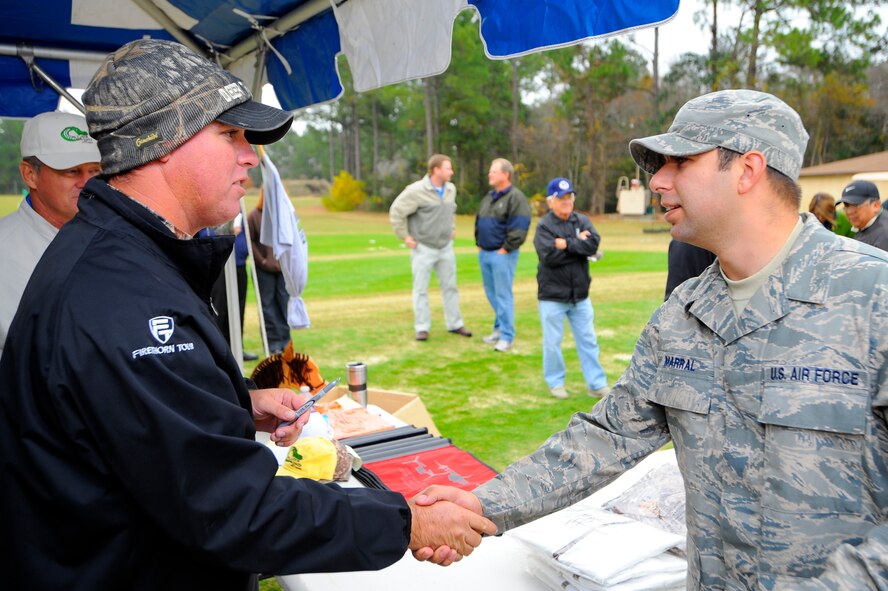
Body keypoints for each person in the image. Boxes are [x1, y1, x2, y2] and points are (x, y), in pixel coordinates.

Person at [0, 39, 495, 590]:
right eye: (230, 135)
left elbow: (136, 423)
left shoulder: (124, 259)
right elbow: (229, 509)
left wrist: (233, 403)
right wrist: (408, 520)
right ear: (164, 142)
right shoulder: (123, 295)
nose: (251, 157)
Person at [419, 90, 888, 589]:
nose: (658, 181)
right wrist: (484, 503)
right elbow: (608, 435)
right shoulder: (684, 313)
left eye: (679, 163)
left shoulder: (872, 297)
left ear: (747, 170)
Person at [0, 112, 101, 357]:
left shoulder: (123, 238)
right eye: (71, 171)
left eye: (95, 171)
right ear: (30, 175)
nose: (87, 183)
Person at [534, 177, 609, 399]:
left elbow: (593, 244)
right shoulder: (544, 226)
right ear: (551, 201)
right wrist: (578, 246)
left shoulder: (582, 220)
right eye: (561, 198)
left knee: (588, 340)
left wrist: (565, 243)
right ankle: (555, 383)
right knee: (552, 343)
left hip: (580, 296)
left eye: (569, 197)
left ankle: (596, 384)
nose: (566, 202)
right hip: (552, 296)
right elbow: (548, 256)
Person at [389, 154, 472, 341]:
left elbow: (450, 211)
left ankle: (455, 324)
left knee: (450, 287)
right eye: (448, 168)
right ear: (436, 170)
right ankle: (422, 327)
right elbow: (396, 212)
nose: (452, 172)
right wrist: (405, 236)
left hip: (445, 247)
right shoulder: (416, 191)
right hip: (423, 248)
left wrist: (451, 228)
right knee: (421, 289)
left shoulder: (451, 189)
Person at [475, 158, 531, 352]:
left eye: (494, 171)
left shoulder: (516, 198)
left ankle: (507, 336)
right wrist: (479, 244)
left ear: (505, 174)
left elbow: (520, 227)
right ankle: (498, 329)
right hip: (485, 253)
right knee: (492, 294)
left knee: (503, 294)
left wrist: (505, 249)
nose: (490, 174)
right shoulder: (490, 197)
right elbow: (479, 220)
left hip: (502, 255)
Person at [248, 193, 291, 354]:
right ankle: (272, 343)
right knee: (267, 306)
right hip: (263, 270)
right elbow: (249, 240)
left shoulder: (283, 216)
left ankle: (285, 341)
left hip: (282, 270)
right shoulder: (255, 216)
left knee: (283, 303)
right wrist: (262, 261)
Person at [837, 180, 888, 251]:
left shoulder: (884, 236)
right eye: (846, 206)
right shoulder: (866, 226)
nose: (849, 212)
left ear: (875, 206)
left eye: (855, 205)